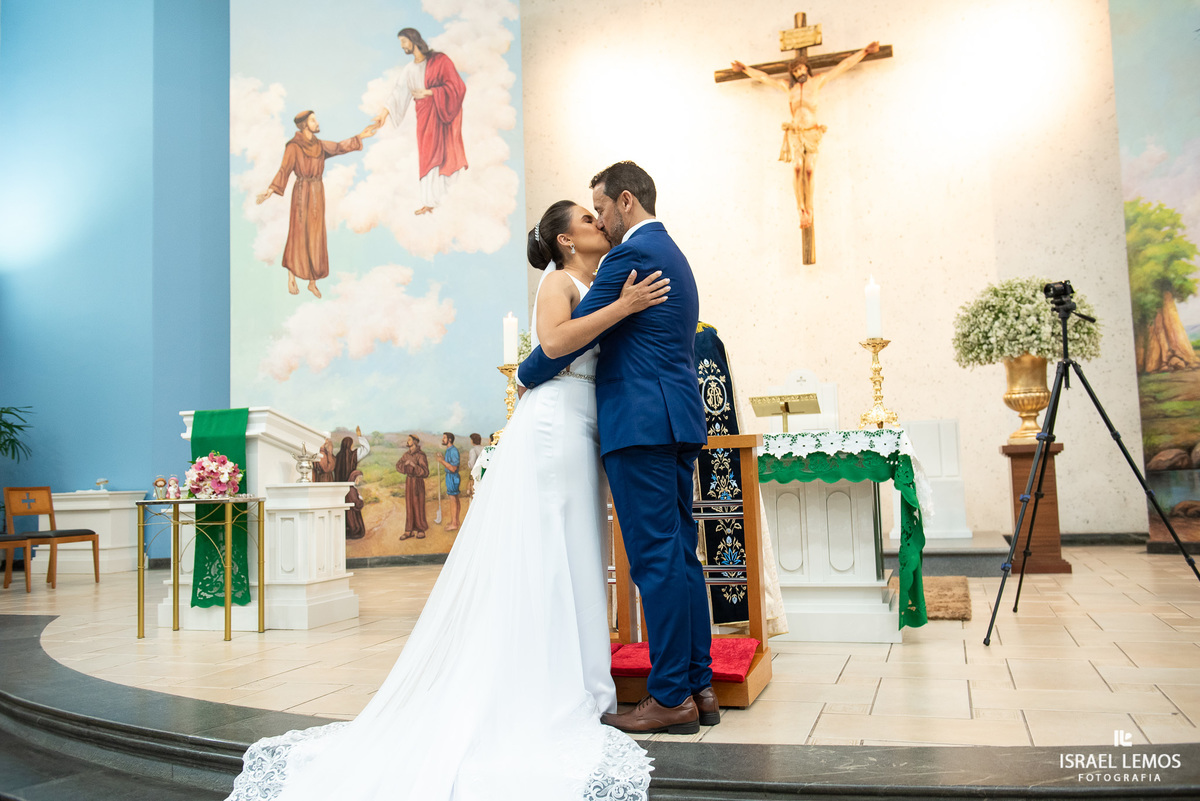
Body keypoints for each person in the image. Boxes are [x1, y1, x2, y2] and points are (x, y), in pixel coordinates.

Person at [224, 199, 668, 801]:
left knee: (578, 547)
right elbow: (555, 343)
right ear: (565, 240)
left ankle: (587, 684)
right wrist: (624, 307)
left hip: (585, 422)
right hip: (555, 425)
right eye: (586, 221)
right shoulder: (557, 282)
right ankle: (549, 684)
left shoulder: (593, 279)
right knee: (550, 548)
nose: (598, 224)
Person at [519, 161, 716, 735]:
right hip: (674, 420)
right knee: (680, 557)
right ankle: (698, 686)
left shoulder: (629, 257)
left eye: (601, 208)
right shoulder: (672, 252)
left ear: (624, 201)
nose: (600, 222)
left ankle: (669, 697)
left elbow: (562, 342)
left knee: (656, 562)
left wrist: (527, 378)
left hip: (639, 423)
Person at [731, 41, 879, 229]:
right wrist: (745, 69)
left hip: (812, 133)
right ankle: (800, 209)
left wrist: (865, 51)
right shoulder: (788, 87)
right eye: (795, 71)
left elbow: (844, 66)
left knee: (809, 170)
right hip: (795, 132)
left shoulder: (817, 82)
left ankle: (809, 209)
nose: (798, 73)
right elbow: (765, 78)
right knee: (797, 167)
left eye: (800, 69)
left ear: (806, 69)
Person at [257, 111, 379, 298]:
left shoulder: (319, 146)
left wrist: (361, 136)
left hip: (316, 193)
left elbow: (339, 147)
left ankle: (312, 282)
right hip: (301, 193)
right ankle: (292, 276)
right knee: (298, 233)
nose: (317, 122)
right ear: (305, 125)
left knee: (316, 236)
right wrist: (270, 190)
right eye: (313, 120)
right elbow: (284, 170)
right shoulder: (294, 146)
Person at [375, 27, 467, 215]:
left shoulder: (440, 60)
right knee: (428, 156)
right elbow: (398, 93)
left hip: (443, 116)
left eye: (403, 41)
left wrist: (431, 92)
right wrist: (384, 114)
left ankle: (445, 201)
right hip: (424, 118)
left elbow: (457, 86)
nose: (402, 46)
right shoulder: (409, 69)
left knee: (445, 155)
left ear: (413, 40)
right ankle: (429, 201)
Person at [395, 434, 429, 540]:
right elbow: (398, 466)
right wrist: (405, 464)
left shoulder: (421, 455)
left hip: (418, 482)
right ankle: (409, 530)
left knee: (418, 504)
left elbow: (425, 472)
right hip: (409, 481)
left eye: (409, 440)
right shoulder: (406, 455)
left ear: (415, 442)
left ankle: (420, 529)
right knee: (409, 505)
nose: (407, 441)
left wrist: (414, 466)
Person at [434, 432, 461, 531]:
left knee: (453, 500)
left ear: (449, 439)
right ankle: (455, 521)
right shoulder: (449, 450)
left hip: (452, 477)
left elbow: (453, 468)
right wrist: (443, 458)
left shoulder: (453, 451)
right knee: (455, 499)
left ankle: (454, 523)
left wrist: (441, 461)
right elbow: (449, 463)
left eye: (444, 438)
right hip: (451, 477)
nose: (442, 439)